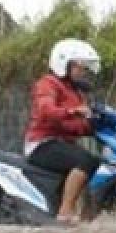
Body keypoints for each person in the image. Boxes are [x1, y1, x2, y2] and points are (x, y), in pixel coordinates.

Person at [24, 39, 103, 223]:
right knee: (87, 159)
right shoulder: (48, 84)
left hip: (63, 143)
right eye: (78, 66)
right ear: (63, 63)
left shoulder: (75, 91)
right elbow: (46, 111)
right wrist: (73, 111)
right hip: (42, 145)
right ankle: (65, 211)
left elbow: (75, 124)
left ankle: (87, 214)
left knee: (100, 158)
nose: (82, 71)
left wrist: (92, 123)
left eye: (84, 68)